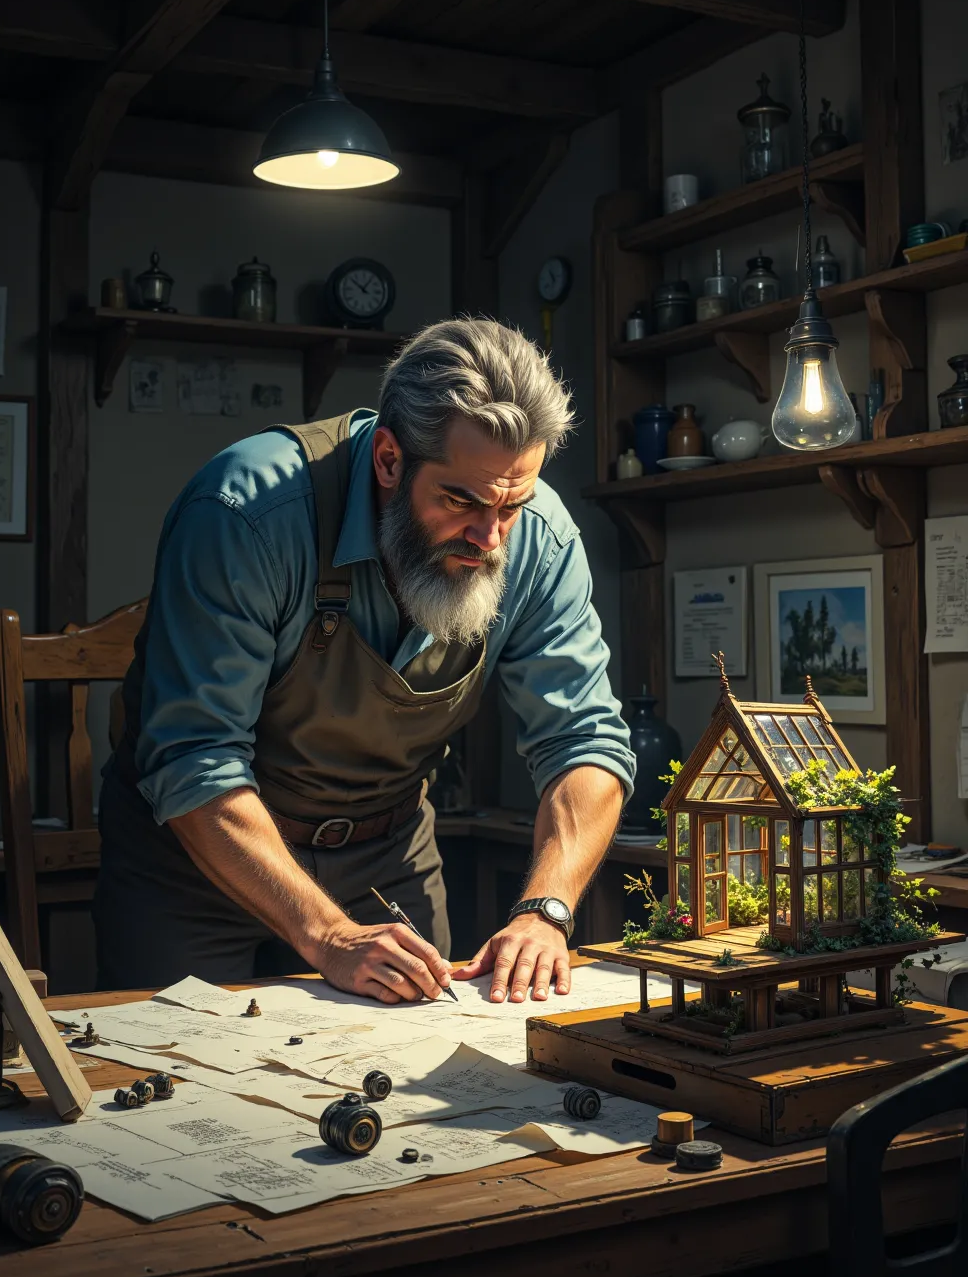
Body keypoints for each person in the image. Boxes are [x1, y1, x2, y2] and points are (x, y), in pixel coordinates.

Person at [95, 318, 635, 1005]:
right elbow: (193, 758)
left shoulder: (541, 540)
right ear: (387, 459)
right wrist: (327, 935)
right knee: (162, 1089)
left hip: (387, 855)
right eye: (460, 500)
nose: (489, 538)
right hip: (199, 865)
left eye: (512, 505)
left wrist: (545, 910)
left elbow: (583, 742)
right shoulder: (247, 512)